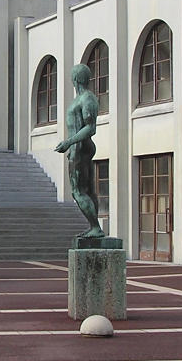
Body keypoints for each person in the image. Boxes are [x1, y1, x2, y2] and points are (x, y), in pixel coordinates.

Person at [54, 63, 105, 238]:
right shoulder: (82, 99)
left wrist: (68, 142)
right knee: (88, 190)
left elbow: (91, 128)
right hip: (81, 147)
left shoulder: (87, 99)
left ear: (75, 79)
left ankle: (95, 227)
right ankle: (94, 227)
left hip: (80, 148)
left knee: (78, 191)